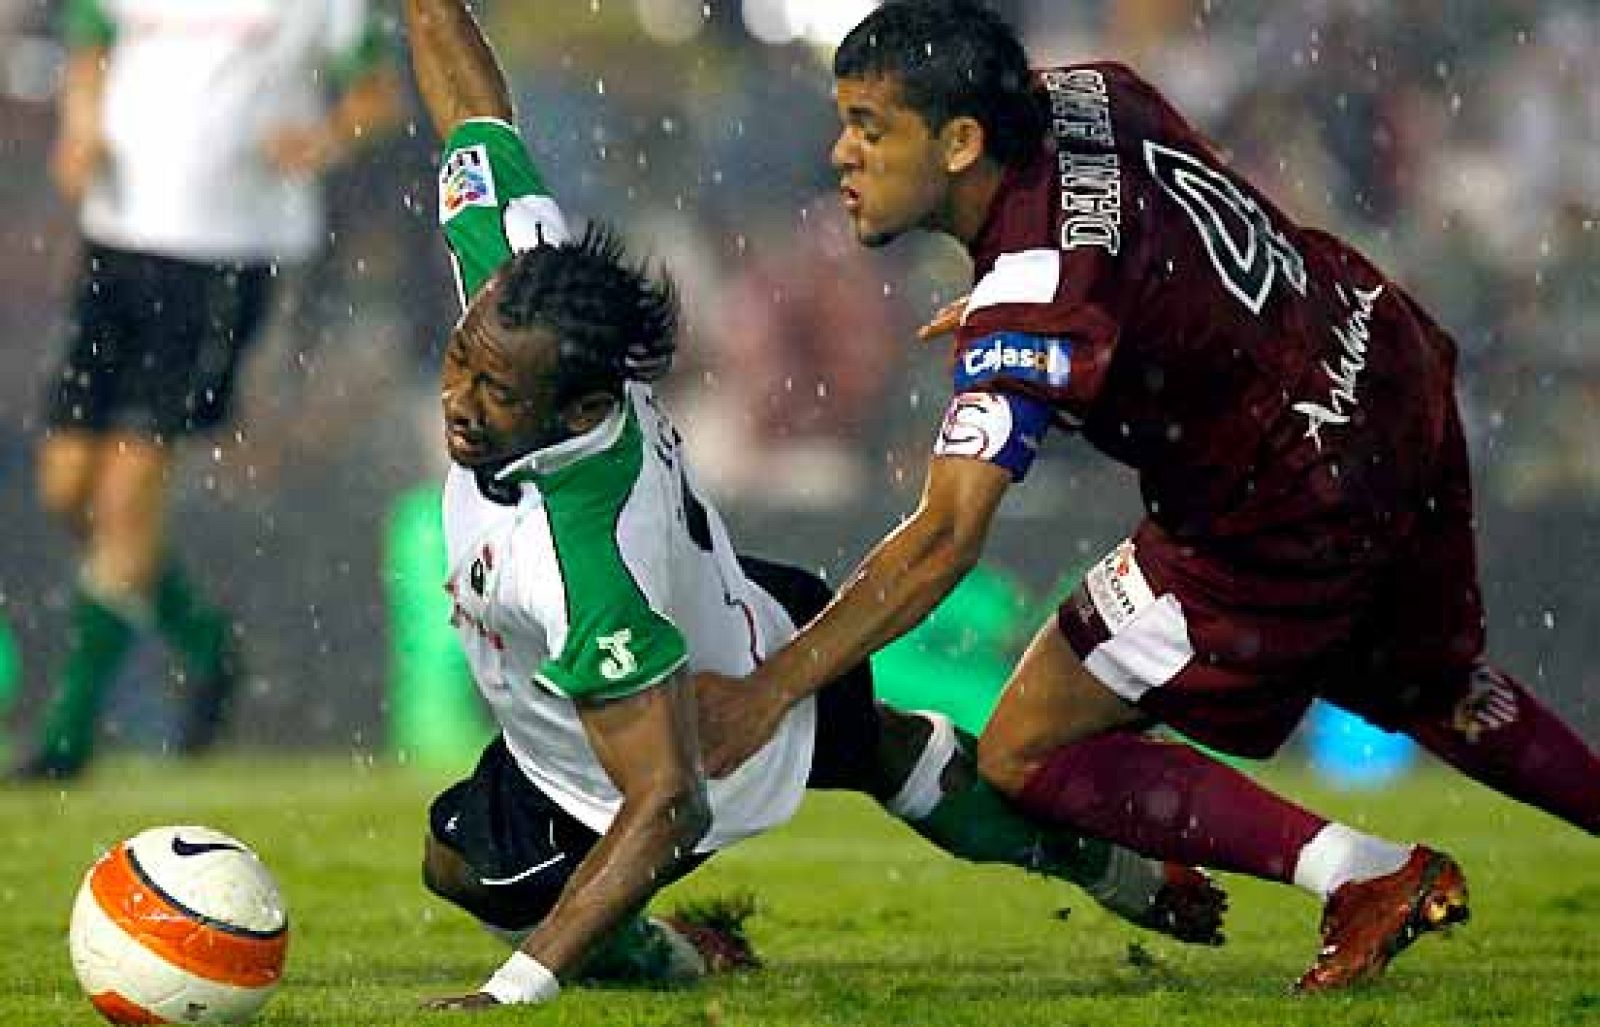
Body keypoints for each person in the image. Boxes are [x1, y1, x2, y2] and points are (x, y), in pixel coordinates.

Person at [693, 0, 1600, 994]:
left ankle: (1364, 872)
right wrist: (1057, 307)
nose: (842, 154)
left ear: (959, 140)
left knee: (1027, 745)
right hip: (1377, 356)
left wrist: (771, 687)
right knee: (1434, 685)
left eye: (870, 126)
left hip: (1281, 497)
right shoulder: (1086, 90)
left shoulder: (1037, 292)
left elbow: (946, 537)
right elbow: (1161, 213)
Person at [401, 0, 1225, 1010]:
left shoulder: (580, 560)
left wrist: (509, 993)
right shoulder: (520, 294)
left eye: (491, 392)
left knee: (467, 871)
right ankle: (1111, 868)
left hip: (675, 739)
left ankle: (673, 953)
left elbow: (664, 802)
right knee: (874, 743)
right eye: (459, 363)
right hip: (743, 608)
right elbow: (476, 119)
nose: (457, 399)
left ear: (577, 408)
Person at [11, 0, 402, 781]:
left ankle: (66, 736)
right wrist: (81, 125)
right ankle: (201, 638)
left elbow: (377, 94)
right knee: (66, 488)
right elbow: (91, 42)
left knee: (126, 497)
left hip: (225, 255)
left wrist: (321, 140)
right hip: (117, 239)